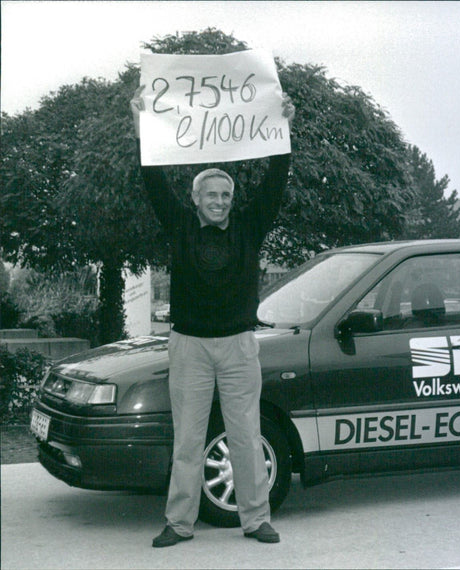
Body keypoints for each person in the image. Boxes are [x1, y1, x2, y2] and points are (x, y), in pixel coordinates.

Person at [130, 86, 295, 548]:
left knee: (246, 435)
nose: (219, 201)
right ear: (196, 197)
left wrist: (283, 125)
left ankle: (255, 519)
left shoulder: (250, 226)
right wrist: (142, 124)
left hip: (240, 346)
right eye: (211, 194)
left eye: (225, 194)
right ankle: (179, 523)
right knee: (189, 439)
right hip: (190, 347)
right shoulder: (179, 225)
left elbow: (275, 182)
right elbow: (151, 179)